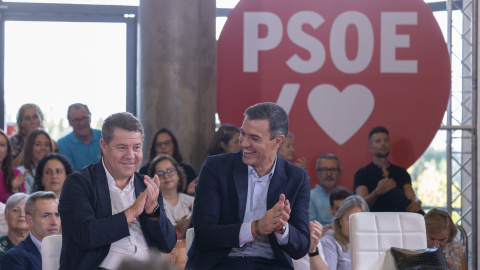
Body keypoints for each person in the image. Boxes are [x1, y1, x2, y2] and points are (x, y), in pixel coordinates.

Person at [186, 102, 310, 270]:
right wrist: (257, 227)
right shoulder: (216, 167)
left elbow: (301, 247)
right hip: (220, 263)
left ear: (277, 141)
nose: (244, 143)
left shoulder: (297, 178)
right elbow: (203, 234)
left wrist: (282, 228)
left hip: (270, 264)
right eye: (243, 134)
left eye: (254, 138)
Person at [58, 112, 176, 270]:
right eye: (122, 148)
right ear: (104, 146)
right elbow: (85, 236)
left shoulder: (146, 185)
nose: (131, 155)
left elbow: (167, 244)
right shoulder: (78, 183)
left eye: (137, 147)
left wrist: (152, 211)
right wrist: (132, 211)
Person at [354, 126, 423, 213]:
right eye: (378, 141)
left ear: (390, 145)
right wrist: (377, 192)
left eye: (385, 140)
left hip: (400, 221)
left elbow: (411, 196)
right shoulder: (362, 174)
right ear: (370, 147)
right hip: (373, 221)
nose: (383, 144)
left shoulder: (401, 173)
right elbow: (360, 205)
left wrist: (416, 202)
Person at [294, 187, 352, 270]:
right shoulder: (325, 241)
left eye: (347, 210)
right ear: (331, 210)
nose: (343, 214)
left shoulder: (369, 238)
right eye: (339, 209)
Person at [0, 191, 60, 270]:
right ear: (29, 220)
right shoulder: (14, 258)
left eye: (57, 215)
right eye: (46, 216)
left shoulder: (72, 250)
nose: (54, 222)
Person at [309, 195, 369, 270]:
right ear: (340, 220)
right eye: (350, 219)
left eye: (360, 219)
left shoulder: (370, 242)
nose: (355, 224)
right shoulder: (329, 242)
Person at [139, 128, 197, 195]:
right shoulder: (144, 171)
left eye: (167, 143)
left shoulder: (187, 170)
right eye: (159, 144)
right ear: (154, 148)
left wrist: (190, 193)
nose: (163, 147)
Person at [148, 154, 193, 239]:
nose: (166, 176)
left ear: (178, 175)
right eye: (160, 173)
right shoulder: (152, 206)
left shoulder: (193, 201)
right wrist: (177, 228)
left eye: (170, 171)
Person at [57, 103, 102, 171]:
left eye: (84, 118)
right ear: (69, 122)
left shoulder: (104, 137)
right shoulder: (62, 144)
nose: (81, 123)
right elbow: (68, 173)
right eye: (76, 120)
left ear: (90, 118)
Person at [16, 129, 54, 194]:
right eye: (38, 144)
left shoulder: (56, 173)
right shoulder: (20, 173)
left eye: (47, 144)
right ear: (29, 147)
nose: (43, 148)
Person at [309, 154, 342, 225]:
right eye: (324, 170)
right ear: (317, 173)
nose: (329, 174)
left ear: (339, 172)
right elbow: (310, 228)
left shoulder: (347, 196)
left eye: (333, 170)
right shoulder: (309, 197)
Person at [0, 130, 27, 203]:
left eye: (2, 145)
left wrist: (15, 190)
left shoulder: (16, 173)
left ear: (7, 150)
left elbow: (22, 205)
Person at [0, 193, 29, 259]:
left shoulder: (43, 246)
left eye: (26, 211)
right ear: (6, 215)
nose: (21, 214)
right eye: (16, 210)